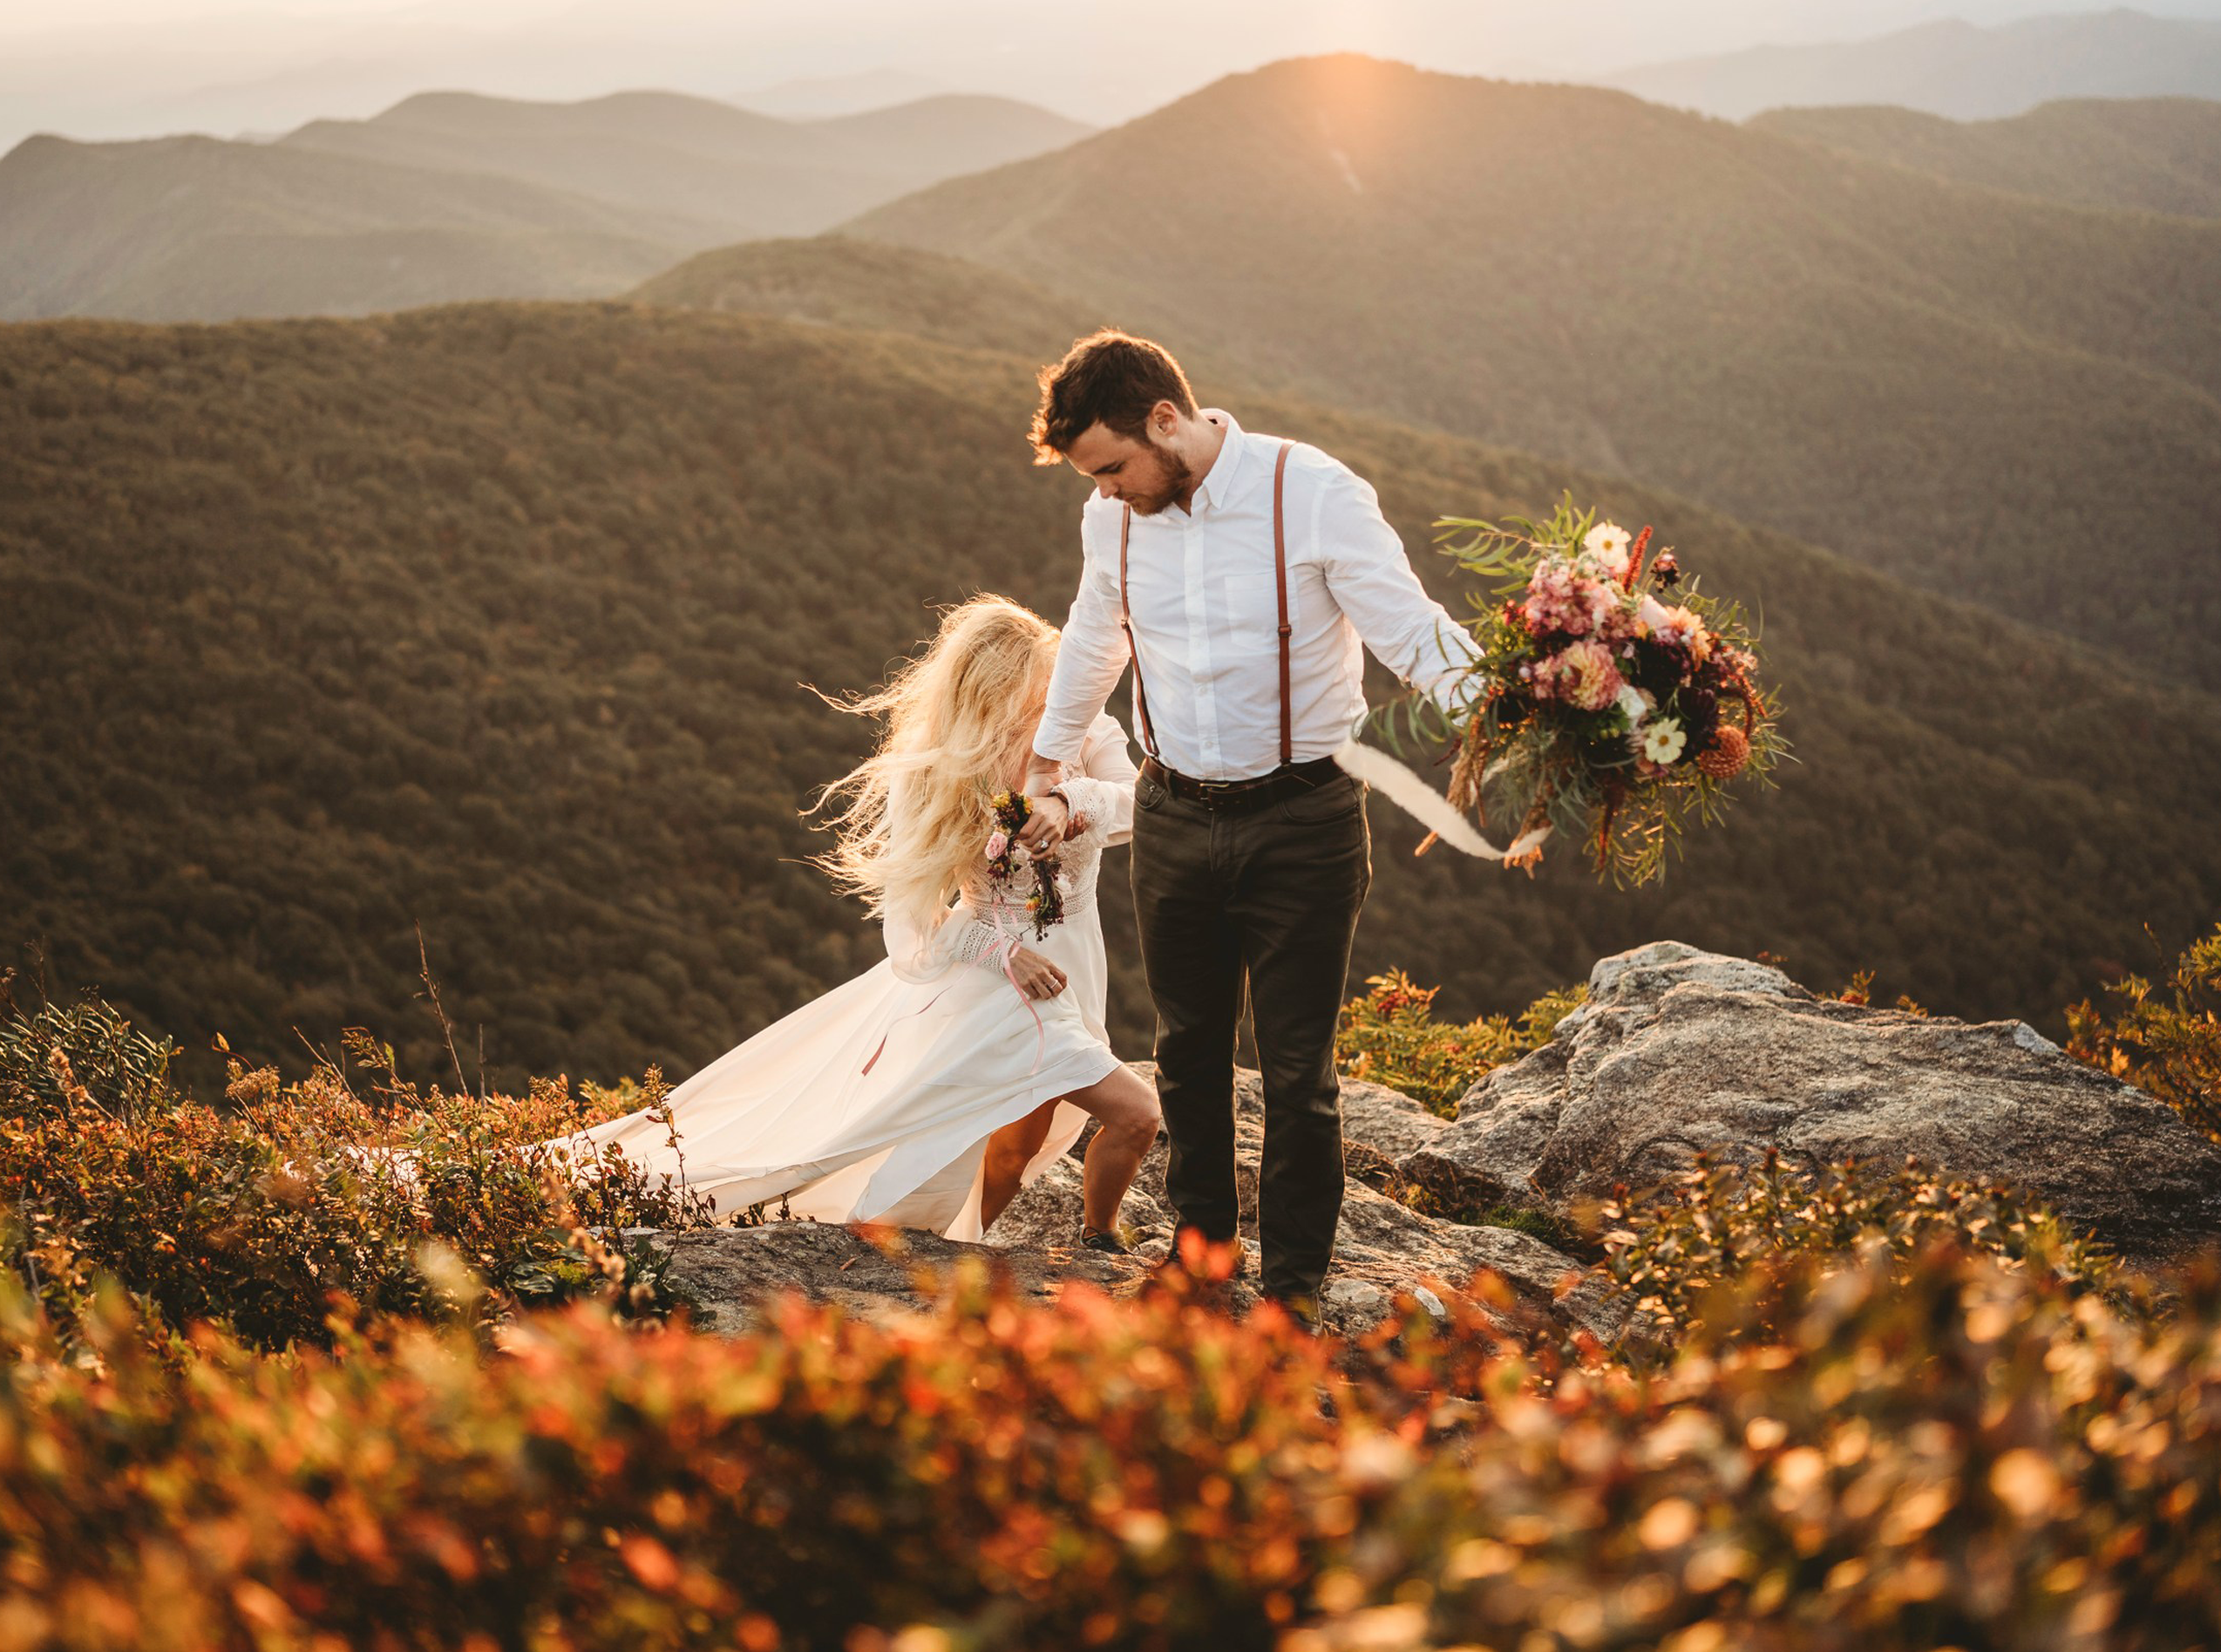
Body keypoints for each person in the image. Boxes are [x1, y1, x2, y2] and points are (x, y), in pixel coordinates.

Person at [1018, 330, 1477, 1317]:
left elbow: (1408, 627)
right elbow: (1097, 640)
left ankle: (1295, 1286)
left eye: (1112, 468)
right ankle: (1200, 1257)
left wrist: (1513, 703)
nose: (1104, 492)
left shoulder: (1308, 490)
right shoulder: (1114, 523)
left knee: (1298, 1066)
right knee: (1185, 1049)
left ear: (1165, 420)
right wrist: (1046, 764)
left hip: (1303, 816)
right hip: (1173, 808)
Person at [566, 595, 1160, 1246]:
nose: (1053, 700)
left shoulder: (1079, 730)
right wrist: (1003, 953)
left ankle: (972, 1247)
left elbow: (1139, 807)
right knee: (1133, 1113)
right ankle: (1097, 1241)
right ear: (994, 694)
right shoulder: (936, 773)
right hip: (999, 983)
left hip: (1074, 965)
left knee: (1018, 1145)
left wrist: (1070, 800)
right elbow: (911, 928)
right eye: (1036, 689)